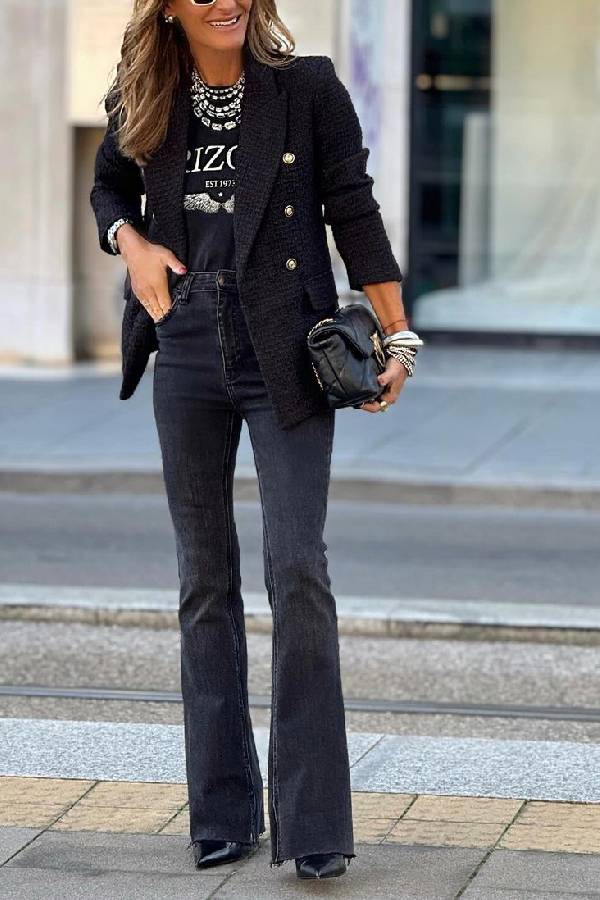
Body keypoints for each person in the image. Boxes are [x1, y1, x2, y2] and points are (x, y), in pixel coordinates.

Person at [89, 0, 414, 882]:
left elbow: (353, 209)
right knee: (204, 578)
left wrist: (398, 335)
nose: (224, 1)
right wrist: (131, 243)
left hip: (285, 345)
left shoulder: (305, 88)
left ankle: (313, 824)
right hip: (186, 338)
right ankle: (223, 811)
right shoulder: (143, 90)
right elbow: (108, 186)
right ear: (169, 7)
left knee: (298, 568)